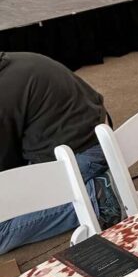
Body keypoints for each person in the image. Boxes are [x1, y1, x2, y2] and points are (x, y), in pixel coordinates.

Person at [0, 51, 123, 255]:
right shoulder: (16, 60)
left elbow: (6, 172)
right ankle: (95, 186)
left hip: (81, 155)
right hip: (98, 137)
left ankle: (98, 199)